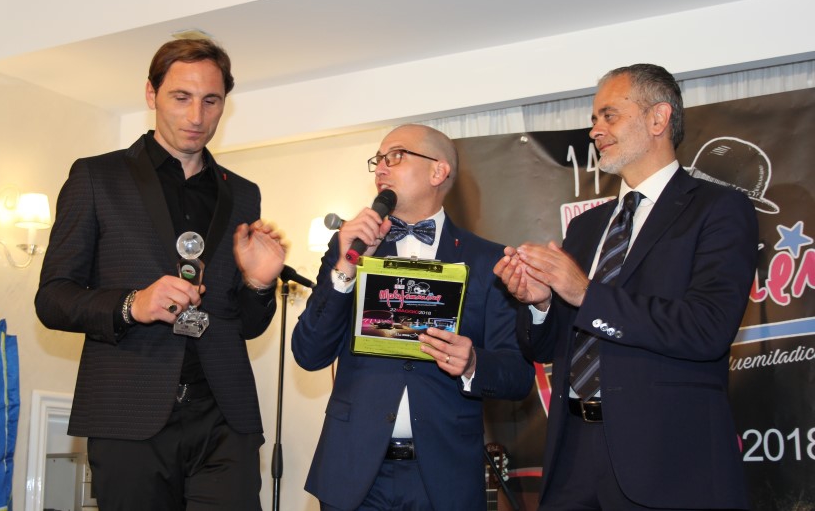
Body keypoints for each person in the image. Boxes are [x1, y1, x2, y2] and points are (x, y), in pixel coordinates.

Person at [36, 38, 286, 511]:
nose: (196, 115)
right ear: (151, 94)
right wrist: (133, 304)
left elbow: (246, 325)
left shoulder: (243, 194)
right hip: (128, 413)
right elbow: (52, 298)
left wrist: (258, 283)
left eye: (211, 101)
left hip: (224, 415)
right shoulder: (96, 177)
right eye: (181, 97)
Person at [494, 64, 758, 510]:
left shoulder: (718, 209)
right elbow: (549, 348)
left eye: (609, 115)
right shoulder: (587, 226)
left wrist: (585, 293)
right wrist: (539, 305)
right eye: (594, 119)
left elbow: (708, 329)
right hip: (572, 453)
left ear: (658, 118)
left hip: (665, 460)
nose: (595, 130)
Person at [292, 124, 535, 511]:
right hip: (353, 471)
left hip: (444, 477)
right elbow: (309, 353)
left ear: (438, 171)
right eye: (378, 160)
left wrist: (473, 363)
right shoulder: (348, 248)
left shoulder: (488, 260)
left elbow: (518, 376)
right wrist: (346, 268)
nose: (381, 168)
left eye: (396, 156)